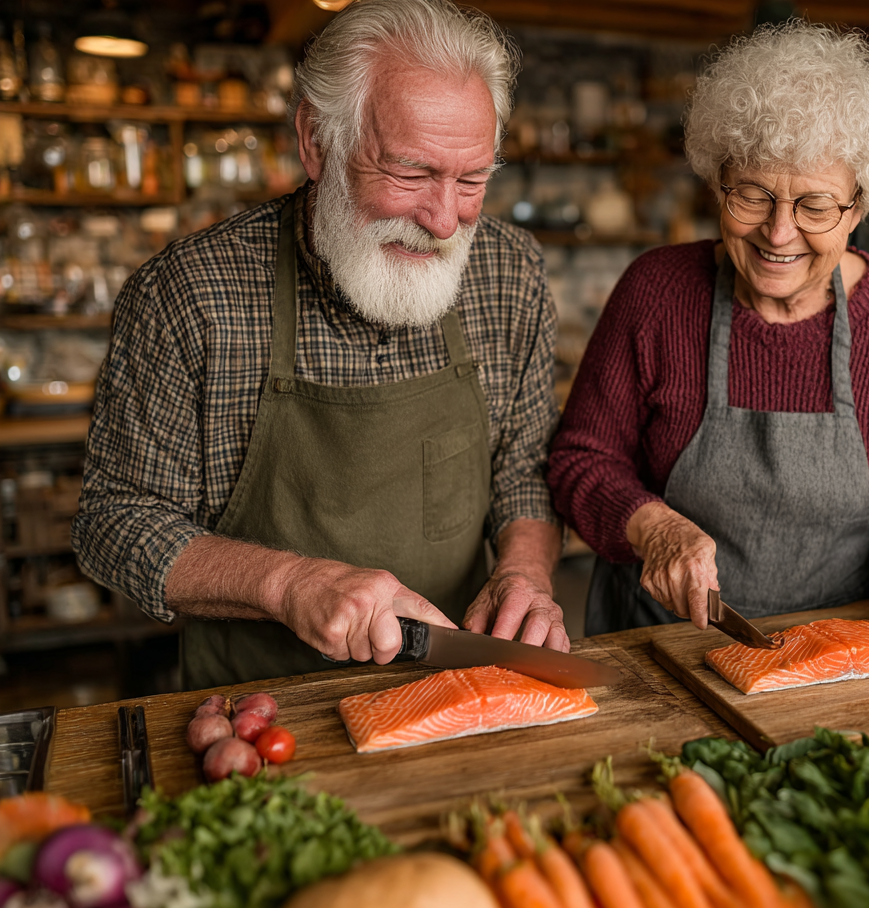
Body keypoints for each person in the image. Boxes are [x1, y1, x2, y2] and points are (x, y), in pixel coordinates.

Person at [72, 0, 567, 688]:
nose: (445, 220)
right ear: (315, 141)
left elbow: (524, 471)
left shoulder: (509, 273)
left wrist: (524, 573)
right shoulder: (190, 295)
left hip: (456, 690)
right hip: (257, 708)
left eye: (472, 180)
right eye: (411, 173)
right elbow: (115, 521)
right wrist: (288, 585)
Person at [547, 22, 869, 653]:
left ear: (860, 207)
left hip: (831, 649)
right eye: (752, 195)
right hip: (656, 645)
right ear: (717, 181)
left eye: (814, 206)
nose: (778, 234)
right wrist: (653, 529)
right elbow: (579, 461)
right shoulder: (658, 291)